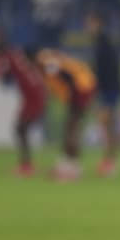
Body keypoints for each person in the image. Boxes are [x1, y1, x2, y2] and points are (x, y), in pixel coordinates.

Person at [37, 48, 96, 181]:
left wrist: (72, 98)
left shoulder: (47, 63)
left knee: (72, 128)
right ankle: (68, 164)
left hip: (79, 92)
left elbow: (68, 78)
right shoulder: (53, 61)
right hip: (83, 90)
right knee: (71, 128)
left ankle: (72, 167)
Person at [0, 36, 47, 177]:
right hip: (34, 97)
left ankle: (26, 165)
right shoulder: (20, 58)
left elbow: (2, 71)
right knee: (21, 129)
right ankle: (26, 164)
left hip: (32, 99)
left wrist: (0, 74)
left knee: (20, 128)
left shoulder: (11, 58)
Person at [87, 11, 120, 177]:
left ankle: (109, 162)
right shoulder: (103, 42)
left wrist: (99, 89)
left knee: (106, 125)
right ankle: (110, 160)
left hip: (109, 90)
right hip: (110, 89)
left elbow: (105, 70)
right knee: (108, 125)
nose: (88, 27)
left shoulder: (103, 43)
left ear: (98, 23)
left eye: (91, 23)